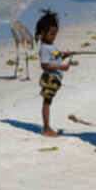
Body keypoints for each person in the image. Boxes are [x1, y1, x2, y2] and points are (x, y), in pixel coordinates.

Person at [36, 9, 71, 137]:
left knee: (48, 102)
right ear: (42, 33)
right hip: (49, 78)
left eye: (55, 34)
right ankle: (46, 129)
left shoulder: (51, 46)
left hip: (54, 78)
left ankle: (47, 127)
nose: (53, 37)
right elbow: (44, 65)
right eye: (51, 34)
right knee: (47, 102)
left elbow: (56, 56)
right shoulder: (44, 48)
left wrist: (65, 55)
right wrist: (61, 67)